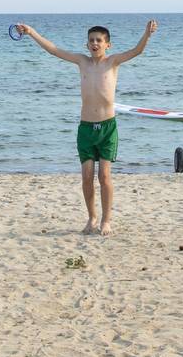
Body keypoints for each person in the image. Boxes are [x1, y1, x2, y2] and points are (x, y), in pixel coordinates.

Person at [14, 19, 158, 236]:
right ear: (86, 44)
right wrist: (31, 32)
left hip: (108, 127)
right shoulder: (82, 62)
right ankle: (92, 218)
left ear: (107, 44)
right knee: (87, 176)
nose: (95, 43)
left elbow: (136, 51)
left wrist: (147, 34)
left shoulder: (113, 62)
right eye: (91, 40)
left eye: (99, 40)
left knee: (105, 177)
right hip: (86, 128)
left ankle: (106, 221)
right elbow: (54, 50)